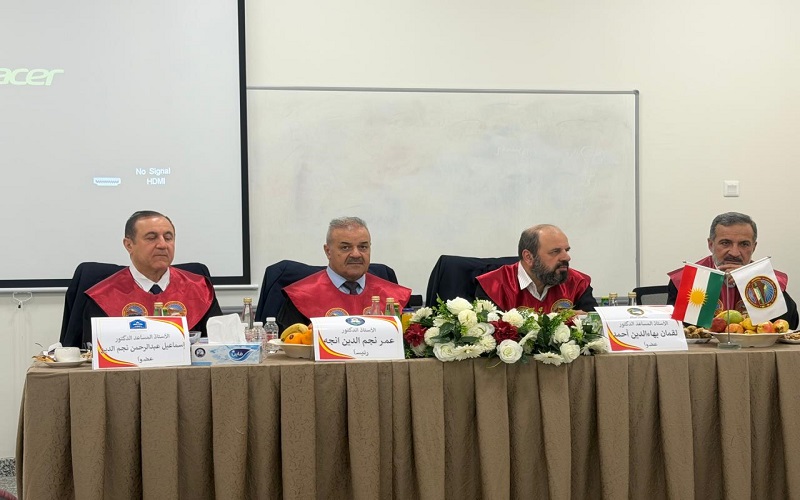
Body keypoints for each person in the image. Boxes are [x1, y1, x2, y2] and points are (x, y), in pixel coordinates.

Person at [82, 211, 222, 345]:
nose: (162, 245)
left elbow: (219, 347)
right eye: (151, 238)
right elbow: (92, 354)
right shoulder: (103, 296)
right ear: (129, 245)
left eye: (168, 238)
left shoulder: (200, 289)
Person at [667, 211, 798, 328]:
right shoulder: (688, 278)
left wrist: (750, 281)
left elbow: (789, 324)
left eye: (744, 244)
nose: (734, 253)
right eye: (725, 243)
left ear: (754, 247)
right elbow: (679, 329)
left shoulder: (767, 280)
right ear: (711, 245)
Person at [277, 217, 412, 330]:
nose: (356, 254)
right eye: (345, 247)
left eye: (363, 247)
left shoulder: (394, 297)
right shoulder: (301, 297)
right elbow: (290, 346)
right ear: (328, 251)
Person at [475, 224, 597, 313]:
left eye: (567, 250)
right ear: (528, 257)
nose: (567, 257)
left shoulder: (577, 283)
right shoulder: (493, 286)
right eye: (555, 251)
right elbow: (490, 334)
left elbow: (595, 327)